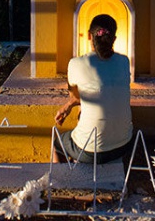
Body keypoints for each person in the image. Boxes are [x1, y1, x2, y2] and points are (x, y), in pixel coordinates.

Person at [53, 14, 132, 163]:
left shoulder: (76, 63)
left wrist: (69, 104)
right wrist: (69, 105)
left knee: (57, 144)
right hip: (124, 145)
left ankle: (62, 182)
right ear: (114, 39)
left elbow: (76, 96)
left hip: (91, 150)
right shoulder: (124, 61)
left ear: (89, 36)